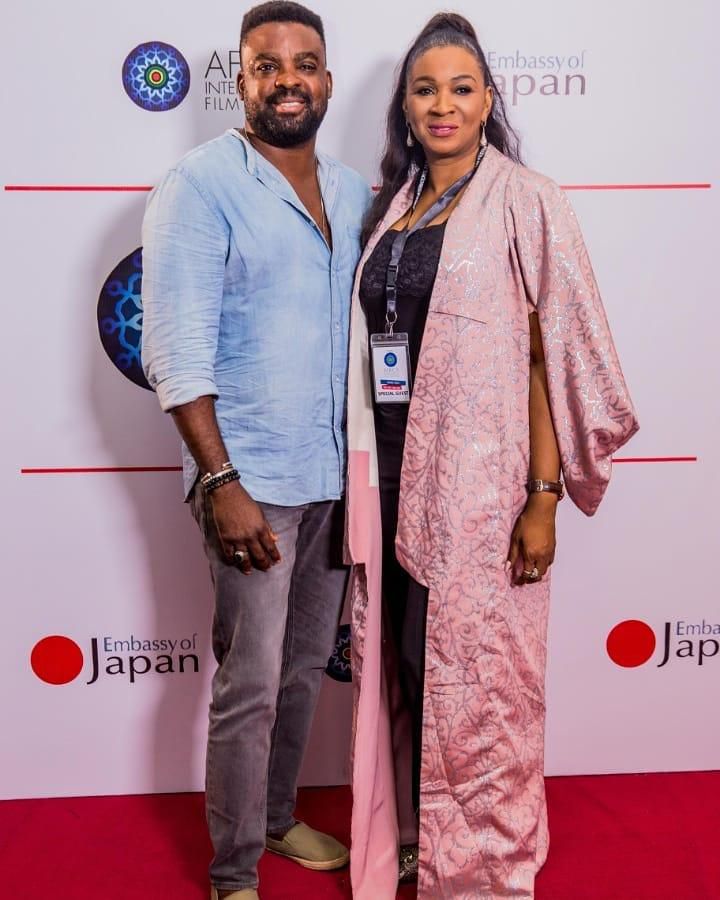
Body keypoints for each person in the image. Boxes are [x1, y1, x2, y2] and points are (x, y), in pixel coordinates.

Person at [345, 12, 639, 899]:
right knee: (405, 661)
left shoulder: (527, 198)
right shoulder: (393, 203)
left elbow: (558, 351)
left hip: (482, 485)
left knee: (485, 683)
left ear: (488, 101)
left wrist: (542, 495)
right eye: (425, 88)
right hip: (389, 472)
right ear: (403, 104)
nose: (442, 104)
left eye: (461, 88)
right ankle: (418, 842)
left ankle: (480, 865)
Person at [141, 3, 372, 898]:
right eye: (266, 65)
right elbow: (176, 351)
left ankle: (276, 820)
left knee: (307, 668)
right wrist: (220, 478)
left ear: (325, 79)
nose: (287, 80)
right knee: (251, 684)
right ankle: (234, 867)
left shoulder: (353, 191)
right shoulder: (199, 185)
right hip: (252, 481)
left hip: (335, 473)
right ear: (241, 79)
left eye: (304, 64)